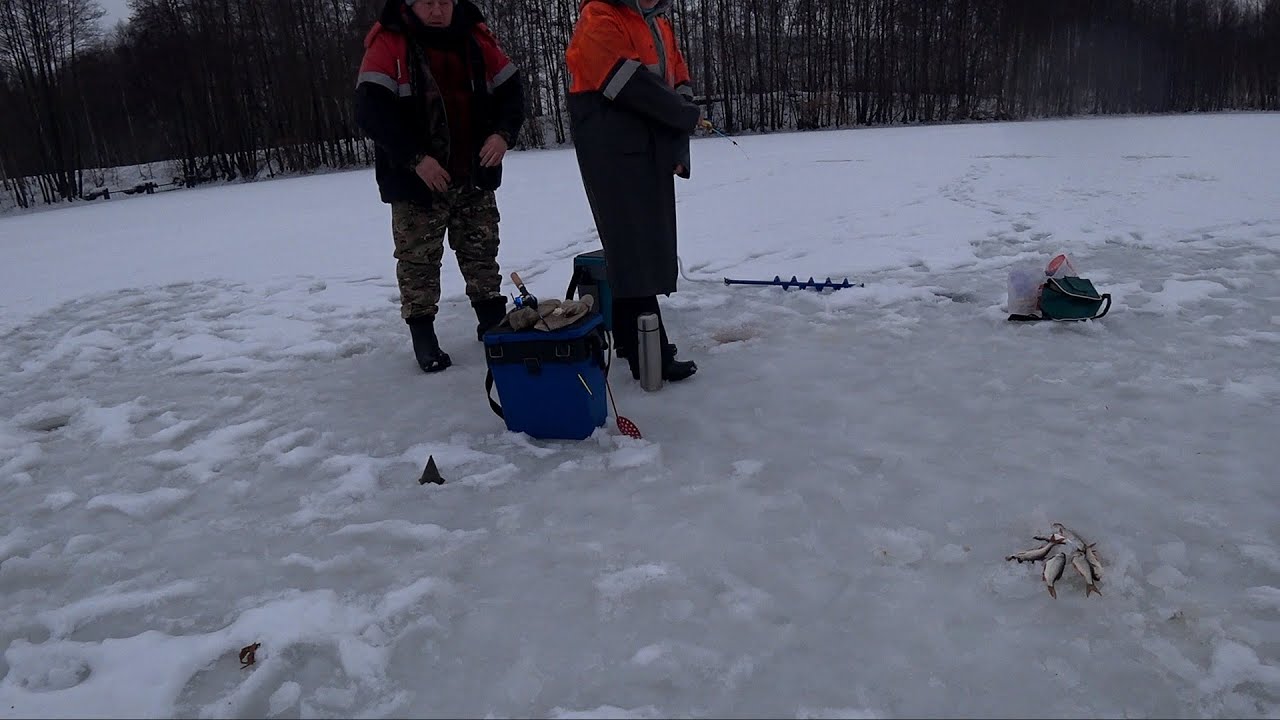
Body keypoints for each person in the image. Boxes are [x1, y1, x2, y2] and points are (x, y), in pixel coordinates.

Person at [355, 0, 524, 373]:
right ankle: (424, 336)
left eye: (443, 2)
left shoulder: (477, 39)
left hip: (473, 173)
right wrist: (416, 159)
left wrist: (502, 135)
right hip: (418, 180)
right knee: (418, 260)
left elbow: (513, 92)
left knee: (481, 251)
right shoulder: (389, 43)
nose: (436, 10)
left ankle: (492, 320)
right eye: (427, 3)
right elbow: (370, 112)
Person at [564, 0, 702, 383]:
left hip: (649, 141)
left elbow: (679, 82)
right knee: (632, 241)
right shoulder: (600, 17)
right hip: (611, 145)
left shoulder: (658, 25)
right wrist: (681, 116)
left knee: (645, 240)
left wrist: (677, 141)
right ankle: (650, 353)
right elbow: (626, 83)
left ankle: (629, 340)